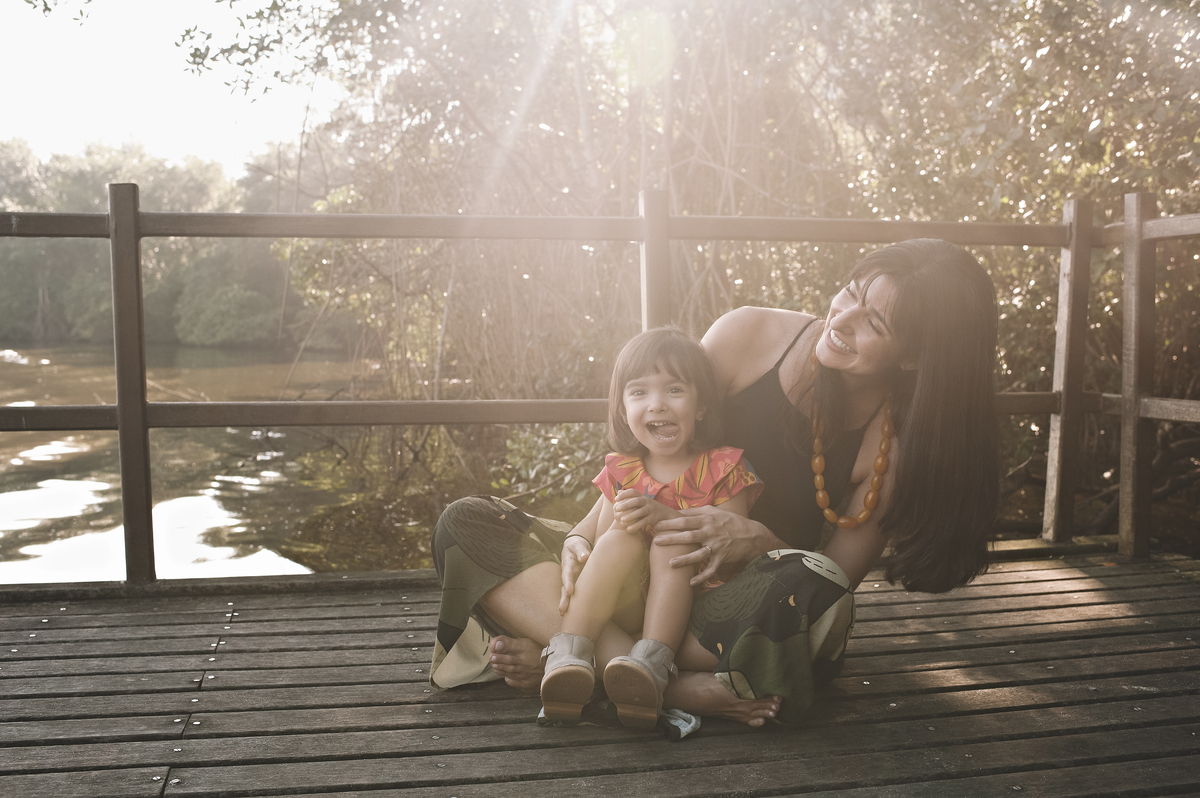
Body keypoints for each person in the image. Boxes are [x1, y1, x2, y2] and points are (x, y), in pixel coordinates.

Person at [430, 238, 999, 727]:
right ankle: (657, 685)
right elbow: (648, 453)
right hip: (628, 572)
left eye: (874, 322)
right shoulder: (747, 335)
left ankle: (577, 657)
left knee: (805, 593)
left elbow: (832, 581)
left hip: (723, 610)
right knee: (469, 523)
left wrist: (759, 540)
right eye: (850, 292)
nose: (842, 320)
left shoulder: (890, 450)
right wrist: (581, 539)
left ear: (918, 356)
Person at [540, 327, 763, 729]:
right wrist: (601, 531)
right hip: (627, 605)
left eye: (675, 389)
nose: (657, 405)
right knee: (620, 539)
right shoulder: (622, 469)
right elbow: (605, 546)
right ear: (623, 408)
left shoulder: (724, 468)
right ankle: (567, 663)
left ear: (701, 406)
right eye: (639, 392)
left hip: (696, 607)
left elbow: (734, 548)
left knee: (669, 543)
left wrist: (667, 518)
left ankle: (648, 671)